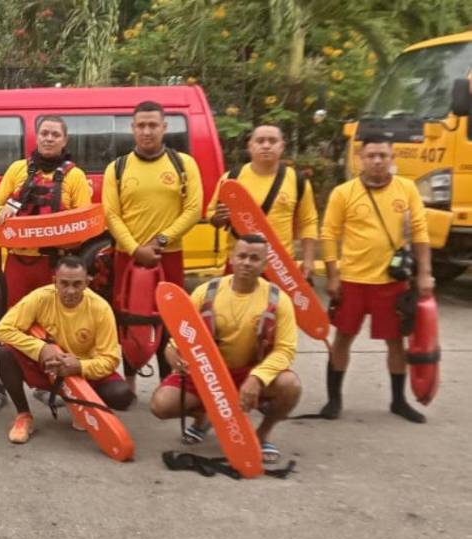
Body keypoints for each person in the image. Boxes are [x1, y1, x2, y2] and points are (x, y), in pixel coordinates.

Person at [149, 235, 302, 463]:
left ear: (264, 264)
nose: (247, 263)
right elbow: (180, 336)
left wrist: (257, 379)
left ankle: (262, 435)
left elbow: (285, 350)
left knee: (291, 386)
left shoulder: (279, 300)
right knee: (160, 405)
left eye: (254, 258)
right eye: (241, 256)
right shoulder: (205, 292)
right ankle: (204, 416)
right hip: (205, 372)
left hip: (249, 371)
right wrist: (171, 352)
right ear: (232, 258)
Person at [0, 116, 93, 413]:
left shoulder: (75, 177)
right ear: (37, 136)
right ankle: (0, 383)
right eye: (44, 133)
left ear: (64, 140)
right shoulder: (18, 170)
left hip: (51, 266)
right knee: (11, 323)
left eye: (55, 134)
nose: (49, 138)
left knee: (50, 327)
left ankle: (48, 383)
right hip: (19, 262)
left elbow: (83, 223)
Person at [319, 138, 434, 423]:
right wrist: (332, 276)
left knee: (396, 342)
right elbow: (329, 234)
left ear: (392, 156)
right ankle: (334, 401)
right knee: (342, 338)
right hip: (352, 280)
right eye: (371, 155)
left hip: (392, 283)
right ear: (360, 158)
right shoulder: (343, 193)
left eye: (383, 155)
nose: (378, 161)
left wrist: (424, 273)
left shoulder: (406, 189)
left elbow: (420, 232)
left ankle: (398, 400)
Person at [102, 101, 203, 380]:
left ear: (164, 127)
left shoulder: (184, 164)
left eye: (153, 125)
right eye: (141, 125)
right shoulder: (118, 168)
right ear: (133, 128)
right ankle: (130, 381)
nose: (147, 131)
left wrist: (160, 240)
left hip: (167, 255)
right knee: (128, 317)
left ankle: (168, 381)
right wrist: (135, 249)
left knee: (170, 319)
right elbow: (111, 214)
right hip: (126, 256)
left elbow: (194, 209)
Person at [0, 256, 133, 443]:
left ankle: (80, 404)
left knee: (122, 395)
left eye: (77, 284)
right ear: (54, 281)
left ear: (87, 283)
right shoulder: (40, 297)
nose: (70, 291)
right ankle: (23, 415)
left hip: (83, 373)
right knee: (3, 353)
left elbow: (110, 360)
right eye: (64, 284)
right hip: (48, 368)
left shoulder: (101, 308)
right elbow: (1, 330)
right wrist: (41, 349)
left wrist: (79, 366)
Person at [208, 125, 319, 278]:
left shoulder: (297, 180)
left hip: (281, 268)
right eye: (260, 141)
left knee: (278, 303)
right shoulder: (231, 178)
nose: (266, 145)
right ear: (250, 146)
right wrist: (218, 218)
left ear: (281, 146)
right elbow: (212, 216)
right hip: (240, 263)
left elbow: (308, 222)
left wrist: (308, 260)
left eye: (272, 141)